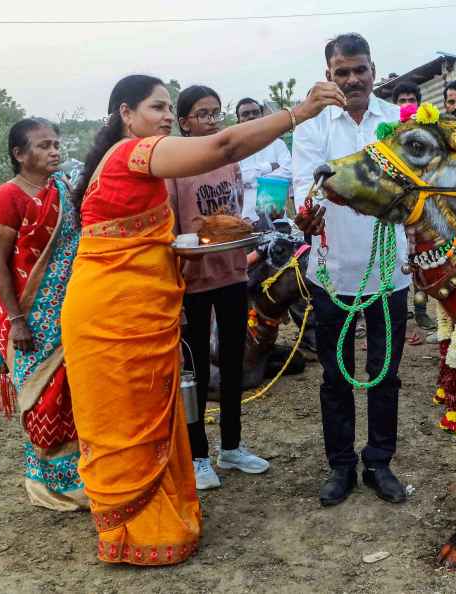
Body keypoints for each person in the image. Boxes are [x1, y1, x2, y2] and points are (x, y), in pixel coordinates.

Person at [61, 74, 343, 565]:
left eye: (169, 107)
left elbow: (153, 245)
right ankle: (131, 532)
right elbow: (226, 144)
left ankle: (155, 514)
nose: (167, 116)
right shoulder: (134, 154)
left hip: (141, 306)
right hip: (113, 314)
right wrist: (298, 113)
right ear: (125, 114)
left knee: (148, 413)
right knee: (124, 420)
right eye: (156, 107)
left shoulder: (135, 162)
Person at [292, 33, 410, 507]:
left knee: (385, 373)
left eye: (359, 69)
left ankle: (379, 461)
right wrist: (305, 210)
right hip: (331, 269)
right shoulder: (313, 124)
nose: (352, 79)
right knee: (335, 377)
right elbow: (304, 186)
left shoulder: (398, 122)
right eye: (342, 72)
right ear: (329, 76)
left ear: (374, 70)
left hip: (390, 269)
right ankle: (340, 465)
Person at [168, 85, 270, 491]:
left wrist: (251, 238)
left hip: (231, 273)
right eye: (202, 114)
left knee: (232, 360)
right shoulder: (176, 165)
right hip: (192, 282)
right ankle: (197, 456)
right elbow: (171, 225)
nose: (211, 120)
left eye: (215, 113)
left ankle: (231, 446)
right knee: (194, 371)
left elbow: (235, 214)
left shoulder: (230, 160)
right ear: (185, 122)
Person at [0, 118, 88, 511]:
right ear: (19, 154)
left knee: (74, 396)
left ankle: (80, 477)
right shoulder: (8, 197)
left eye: (56, 144)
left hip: (71, 312)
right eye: (44, 146)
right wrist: (17, 320)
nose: (55, 151)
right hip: (32, 318)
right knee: (43, 401)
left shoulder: (62, 189)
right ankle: (47, 485)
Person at [390, 82, 435, 335]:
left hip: (423, 203)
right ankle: (396, 309)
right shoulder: (389, 132)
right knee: (400, 256)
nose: (406, 103)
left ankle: (420, 309)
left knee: (421, 255)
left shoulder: (427, 130)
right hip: (397, 204)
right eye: (401, 99)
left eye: (411, 99)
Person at [235, 97, 293, 221]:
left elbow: (289, 172)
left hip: (277, 220)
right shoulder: (234, 150)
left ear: (262, 116)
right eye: (245, 114)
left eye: (255, 113)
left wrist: (250, 181)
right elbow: (236, 180)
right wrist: (269, 167)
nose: (251, 116)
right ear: (238, 121)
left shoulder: (278, 144)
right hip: (246, 222)